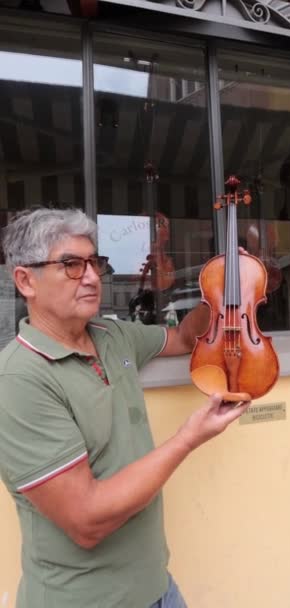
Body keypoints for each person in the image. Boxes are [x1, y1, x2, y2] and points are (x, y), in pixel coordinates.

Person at [0, 208, 250, 608]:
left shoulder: (113, 335)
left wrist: (219, 288)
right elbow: (86, 520)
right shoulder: (18, 378)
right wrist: (187, 439)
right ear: (25, 280)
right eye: (71, 265)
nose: (92, 277)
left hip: (158, 588)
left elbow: (187, 337)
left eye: (95, 263)